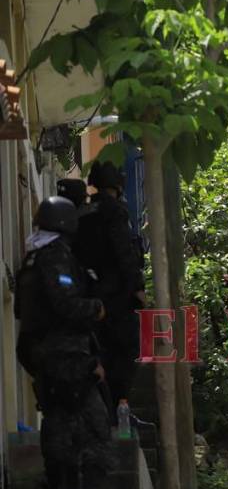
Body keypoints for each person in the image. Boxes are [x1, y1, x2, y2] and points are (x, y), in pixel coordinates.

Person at [14, 196, 113, 489]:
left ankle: (61, 486)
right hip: (64, 354)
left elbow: (22, 309)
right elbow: (65, 303)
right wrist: (95, 308)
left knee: (59, 420)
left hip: (43, 352)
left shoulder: (34, 256)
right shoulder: (54, 256)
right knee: (92, 425)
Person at [73, 161, 146, 413]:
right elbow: (124, 252)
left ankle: (104, 408)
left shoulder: (83, 212)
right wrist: (137, 287)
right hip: (117, 296)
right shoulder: (115, 211)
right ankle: (118, 407)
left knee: (99, 353)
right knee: (125, 353)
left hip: (90, 296)